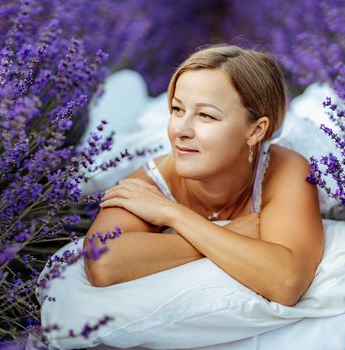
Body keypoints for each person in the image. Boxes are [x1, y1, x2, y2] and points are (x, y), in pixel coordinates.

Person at [83, 43, 325, 307]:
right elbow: (101, 261)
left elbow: (286, 283)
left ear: (256, 131)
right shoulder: (152, 180)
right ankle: (125, 95)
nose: (180, 130)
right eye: (176, 109)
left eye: (206, 115)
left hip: (222, 151)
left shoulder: (285, 168)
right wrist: (229, 233)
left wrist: (173, 215)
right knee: (96, 169)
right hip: (148, 147)